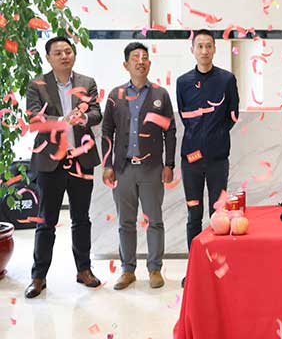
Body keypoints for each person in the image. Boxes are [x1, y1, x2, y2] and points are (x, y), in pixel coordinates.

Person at [24, 36, 102, 299]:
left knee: (81, 219)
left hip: (81, 160)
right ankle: (38, 276)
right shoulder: (37, 85)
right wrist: (62, 119)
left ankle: (84, 270)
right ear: (48, 58)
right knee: (46, 221)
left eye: (68, 51)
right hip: (50, 162)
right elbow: (35, 119)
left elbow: (97, 113)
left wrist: (84, 117)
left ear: (74, 55)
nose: (64, 56)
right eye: (57, 53)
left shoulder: (87, 83)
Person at [101, 42, 176, 290]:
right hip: (123, 168)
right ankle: (127, 270)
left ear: (149, 64)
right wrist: (107, 164)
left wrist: (169, 163)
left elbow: (170, 131)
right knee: (126, 222)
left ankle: (155, 268)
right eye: (135, 57)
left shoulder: (160, 94)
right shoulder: (115, 96)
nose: (140, 61)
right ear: (126, 64)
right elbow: (107, 131)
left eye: (144, 57)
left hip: (152, 168)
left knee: (154, 220)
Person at [176, 29, 239, 283]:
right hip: (191, 160)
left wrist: (215, 136)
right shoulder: (182, 82)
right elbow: (185, 117)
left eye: (208, 46)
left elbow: (232, 114)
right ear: (192, 49)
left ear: (214, 49)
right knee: (194, 216)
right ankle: (195, 269)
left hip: (217, 159)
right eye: (199, 46)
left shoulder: (226, 79)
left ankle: (215, 268)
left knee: (219, 216)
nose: (204, 50)